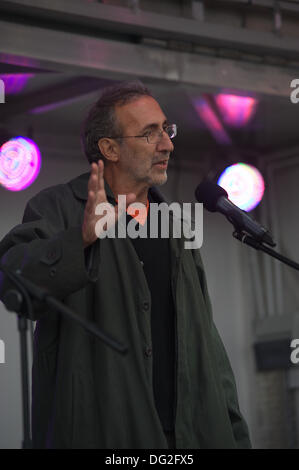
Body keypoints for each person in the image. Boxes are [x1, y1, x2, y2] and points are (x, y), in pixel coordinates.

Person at [0, 81, 251, 449]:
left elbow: (209, 349)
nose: (167, 144)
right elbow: (11, 278)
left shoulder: (176, 226)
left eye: (167, 129)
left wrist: (236, 435)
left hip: (191, 435)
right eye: (150, 133)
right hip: (105, 433)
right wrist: (80, 239)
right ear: (110, 148)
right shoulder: (59, 208)